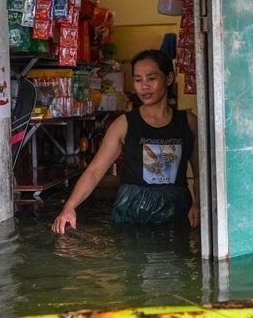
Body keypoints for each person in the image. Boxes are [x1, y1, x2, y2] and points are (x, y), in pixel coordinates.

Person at [52, 49, 200, 234]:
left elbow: (201, 173)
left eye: (151, 78)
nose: (144, 86)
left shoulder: (188, 122)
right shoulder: (124, 124)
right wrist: (69, 207)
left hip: (177, 210)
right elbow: (94, 171)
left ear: (169, 79)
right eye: (138, 80)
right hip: (132, 212)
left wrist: (198, 204)